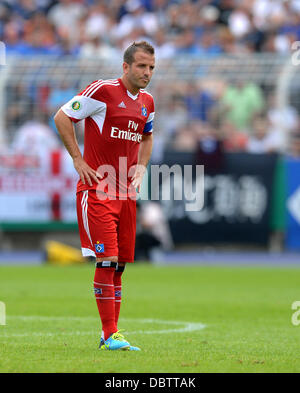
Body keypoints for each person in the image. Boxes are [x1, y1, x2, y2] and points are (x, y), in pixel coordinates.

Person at [54, 41, 155, 351]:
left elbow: (148, 135)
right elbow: (61, 117)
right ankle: (110, 333)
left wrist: (140, 166)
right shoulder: (102, 91)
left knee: (121, 263)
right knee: (107, 259)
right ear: (125, 67)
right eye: (141, 66)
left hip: (125, 193)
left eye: (151, 67)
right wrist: (77, 159)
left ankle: (108, 334)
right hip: (97, 190)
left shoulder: (148, 102)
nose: (147, 72)